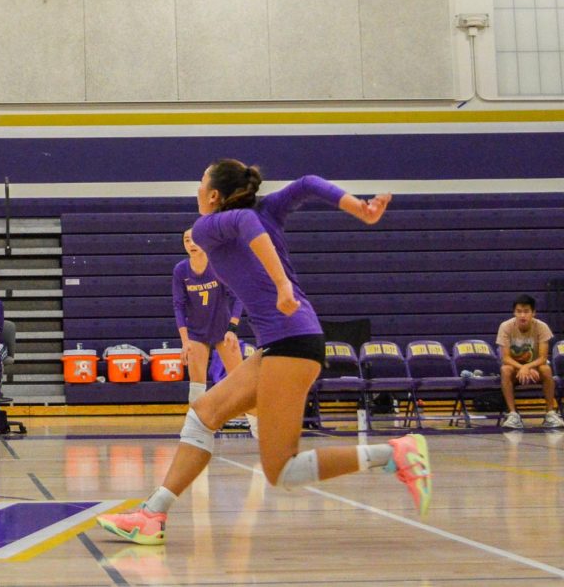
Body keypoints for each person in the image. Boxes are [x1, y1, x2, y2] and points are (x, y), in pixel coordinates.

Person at [97, 163, 432, 546]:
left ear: (213, 196)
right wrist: (359, 208)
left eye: (201, 182)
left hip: (291, 343)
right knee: (202, 416)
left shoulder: (210, 225)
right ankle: (152, 514)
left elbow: (244, 224)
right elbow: (307, 183)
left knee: (282, 471)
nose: (197, 189)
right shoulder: (263, 211)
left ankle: (394, 453)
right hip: (284, 343)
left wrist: (281, 284)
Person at [174, 229, 253, 433]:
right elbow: (178, 306)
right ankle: (198, 433)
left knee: (243, 384)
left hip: (223, 330)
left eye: (195, 239)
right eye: (186, 240)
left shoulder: (218, 266)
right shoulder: (181, 270)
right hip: (197, 333)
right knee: (196, 388)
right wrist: (185, 341)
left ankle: (260, 430)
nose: (191, 243)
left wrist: (233, 328)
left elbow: (238, 297)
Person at [497, 294, 563, 429]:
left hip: (535, 368)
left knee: (546, 369)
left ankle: (550, 413)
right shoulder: (505, 327)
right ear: (514, 312)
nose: (522, 315)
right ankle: (513, 415)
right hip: (515, 369)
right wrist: (522, 368)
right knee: (505, 370)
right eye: (519, 311)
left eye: (526, 311)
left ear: (533, 313)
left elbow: (543, 358)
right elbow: (506, 358)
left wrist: (527, 367)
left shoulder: (542, 327)